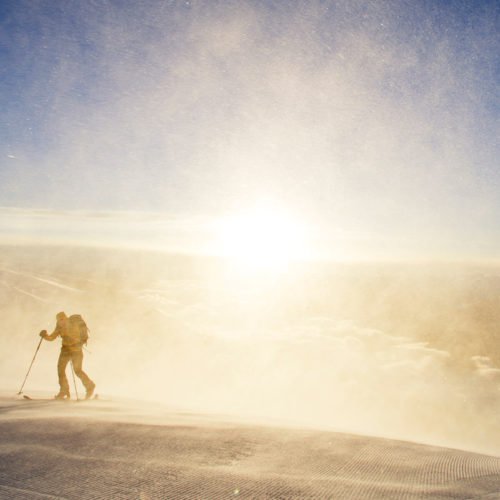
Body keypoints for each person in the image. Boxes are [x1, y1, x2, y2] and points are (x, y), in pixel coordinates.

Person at [40, 312, 96, 400]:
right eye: (59, 320)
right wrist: (45, 336)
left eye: (62, 319)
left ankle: (90, 386)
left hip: (76, 350)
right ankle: (64, 390)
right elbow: (52, 337)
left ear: (66, 318)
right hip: (65, 350)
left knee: (77, 370)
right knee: (61, 369)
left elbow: (81, 338)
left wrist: (77, 343)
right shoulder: (59, 326)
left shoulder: (73, 323)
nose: (60, 322)